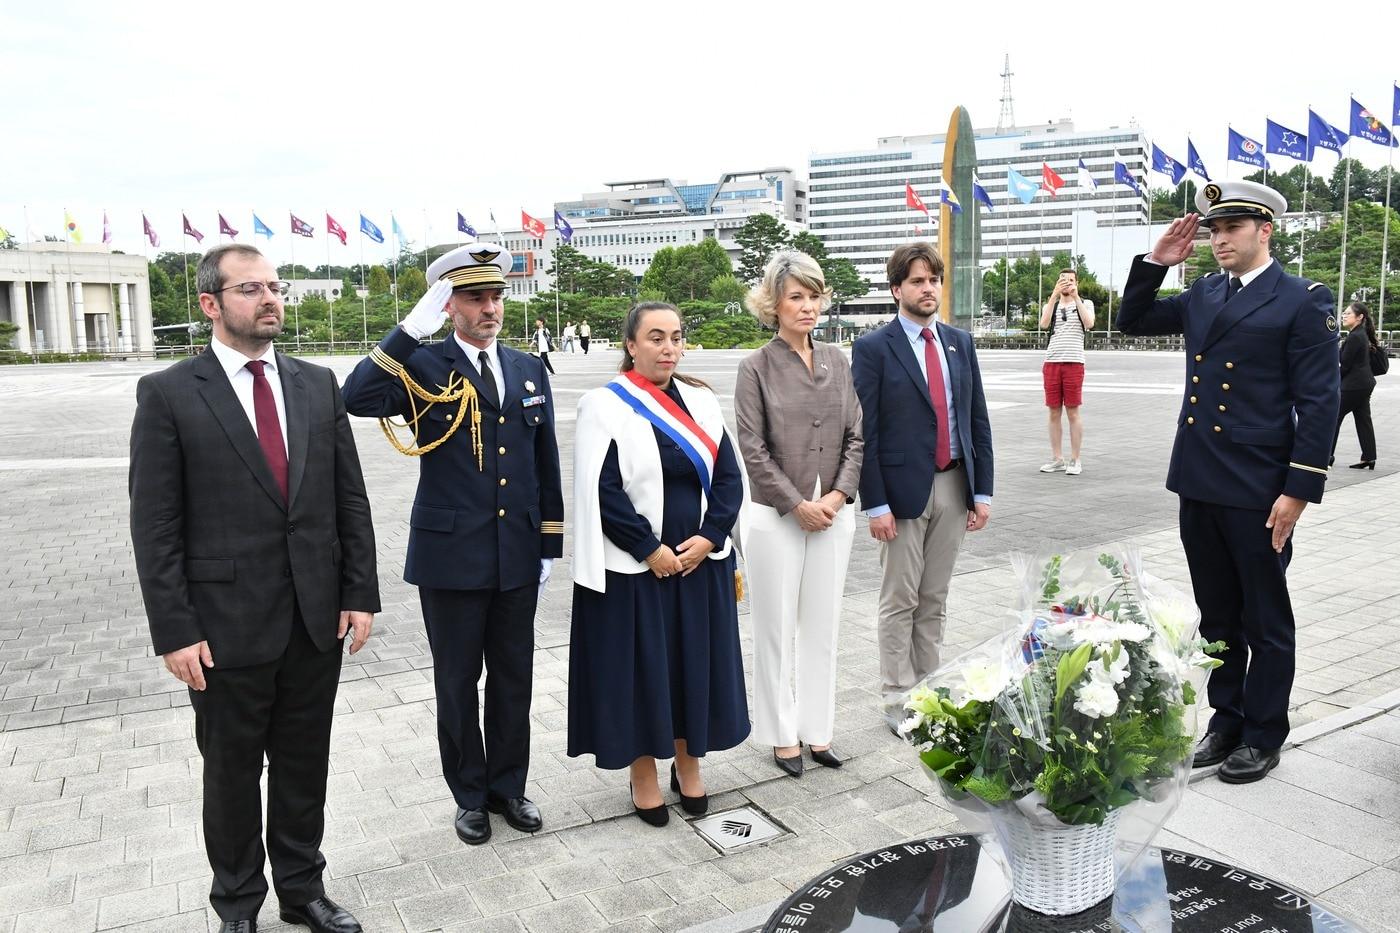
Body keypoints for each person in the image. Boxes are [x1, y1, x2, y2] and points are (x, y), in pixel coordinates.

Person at [129, 243, 380, 933]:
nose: (270, 299)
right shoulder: (169, 393)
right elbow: (155, 525)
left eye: (275, 286)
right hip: (223, 627)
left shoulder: (316, 384)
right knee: (232, 773)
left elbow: (349, 498)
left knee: (304, 765)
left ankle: (302, 890)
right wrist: (175, 630)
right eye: (251, 289)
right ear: (210, 303)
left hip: (314, 618)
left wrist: (358, 591)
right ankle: (238, 903)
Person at [1116, 180, 1340, 784]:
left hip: (1259, 485)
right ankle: (1227, 719)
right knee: (1217, 615)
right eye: (1213, 230)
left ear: (1265, 230)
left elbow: (1319, 402)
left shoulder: (1302, 299)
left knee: (1264, 618)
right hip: (1200, 475)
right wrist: (1156, 261)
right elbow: (1133, 319)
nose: (1219, 239)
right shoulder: (1204, 292)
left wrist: (1298, 490)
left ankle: (1264, 732)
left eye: (1232, 228)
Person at [341, 243, 564, 843]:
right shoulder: (421, 363)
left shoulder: (526, 367)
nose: (490, 308)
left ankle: (508, 787)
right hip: (451, 556)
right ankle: (469, 795)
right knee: (457, 681)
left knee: (513, 678)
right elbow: (356, 397)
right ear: (448, 304)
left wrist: (548, 544)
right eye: (474, 297)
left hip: (517, 552)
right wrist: (409, 331)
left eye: (496, 297)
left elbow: (545, 461)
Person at [567, 302, 749, 826]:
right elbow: (602, 490)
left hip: (698, 564)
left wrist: (710, 537)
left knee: (693, 666)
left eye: (676, 337)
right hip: (636, 569)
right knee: (643, 674)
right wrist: (650, 548)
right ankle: (642, 772)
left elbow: (729, 478)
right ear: (631, 345)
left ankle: (689, 765)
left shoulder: (702, 402)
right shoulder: (604, 405)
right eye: (655, 337)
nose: (669, 347)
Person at [852, 243, 994, 732]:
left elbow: (977, 419)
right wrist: (875, 503)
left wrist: (982, 492)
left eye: (933, 280)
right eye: (917, 281)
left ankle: (930, 693)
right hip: (900, 493)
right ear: (897, 289)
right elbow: (865, 432)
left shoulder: (959, 342)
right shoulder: (874, 348)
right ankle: (897, 699)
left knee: (934, 598)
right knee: (900, 600)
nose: (928, 288)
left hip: (954, 484)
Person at [735, 251, 863, 777]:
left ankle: (818, 729)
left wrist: (836, 497)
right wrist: (796, 504)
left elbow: (856, 436)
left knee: (822, 626)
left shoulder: (837, 360)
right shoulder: (755, 367)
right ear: (774, 303)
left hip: (833, 514)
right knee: (775, 628)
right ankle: (781, 734)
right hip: (774, 517)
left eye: (814, 296)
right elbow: (752, 447)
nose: (808, 306)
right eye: (796, 297)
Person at [1039, 267, 1094, 476]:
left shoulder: (1085, 303)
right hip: (1052, 362)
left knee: (1073, 411)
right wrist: (1053, 296)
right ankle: (1057, 459)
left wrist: (1076, 297)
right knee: (1053, 411)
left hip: (1074, 362)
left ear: (1076, 283)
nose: (1067, 283)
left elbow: (1089, 323)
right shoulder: (1051, 305)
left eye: (1071, 280)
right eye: (1063, 280)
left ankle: (1075, 459)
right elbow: (1044, 324)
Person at [1332, 301, 1379, 469]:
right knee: (1363, 419)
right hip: (1364, 383)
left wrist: (1333, 380)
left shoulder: (1355, 336)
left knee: (1333, 417)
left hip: (1354, 385)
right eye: (1343, 313)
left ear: (1359, 317)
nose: (1343, 316)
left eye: (1348, 313)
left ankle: (1327, 455)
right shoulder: (1361, 334)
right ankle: (1369, 457)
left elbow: (1345, 365)